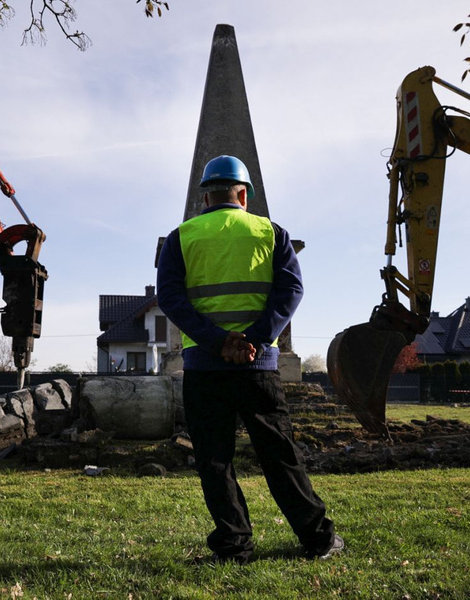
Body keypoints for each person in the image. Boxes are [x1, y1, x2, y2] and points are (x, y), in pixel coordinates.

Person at [157, 155, 343, 564]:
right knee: (280, 456)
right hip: (257, 368)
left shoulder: (181, 237)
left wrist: (217, 342)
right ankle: (318, 539)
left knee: (214, 460)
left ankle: (234, 545)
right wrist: (255, 340)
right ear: (243, 195)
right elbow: (291, 291)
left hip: (205, 368)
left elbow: (170, 298)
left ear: (206, 196)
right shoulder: (271, 232)